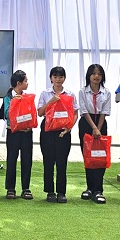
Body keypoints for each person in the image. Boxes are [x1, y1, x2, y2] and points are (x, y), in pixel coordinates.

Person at [38, 66, 78, 203]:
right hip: (48, 130)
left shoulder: (70, 94)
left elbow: (75, 113)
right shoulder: (45, 93)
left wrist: (69, 127)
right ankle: (50, 191)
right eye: (55, 77)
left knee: (62, 162)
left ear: (64, 78)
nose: (58, 79)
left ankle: (61, 192)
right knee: (48, 161)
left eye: (60, 77)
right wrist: (51, 102)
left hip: (63, 130)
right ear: (51, 78)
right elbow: (40, 113)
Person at [77, 64, 111, 204]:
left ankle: (98, 190)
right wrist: (93, 127)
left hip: (101, 123)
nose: (96, 76)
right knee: (89, 156)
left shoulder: (106, 92)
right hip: (86, 123)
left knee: (100, 156)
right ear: (88, 76)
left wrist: (98, 128)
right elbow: (84, 111)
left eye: (99, 74)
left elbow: (105, 112)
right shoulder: (82, 91)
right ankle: (89, 188)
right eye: (93, 74)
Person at [2, 70, 35, 200]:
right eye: (25, 81)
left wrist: (30, 125)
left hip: (27, 132)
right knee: (11, 160)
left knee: (27, 160)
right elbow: (7, 114)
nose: (27, 83)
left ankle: (26, 188)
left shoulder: (27, 97)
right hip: (13, 132)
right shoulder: (8, 98)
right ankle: (10, 188)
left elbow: (32, 113)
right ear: (18, 83)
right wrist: (14, 103)